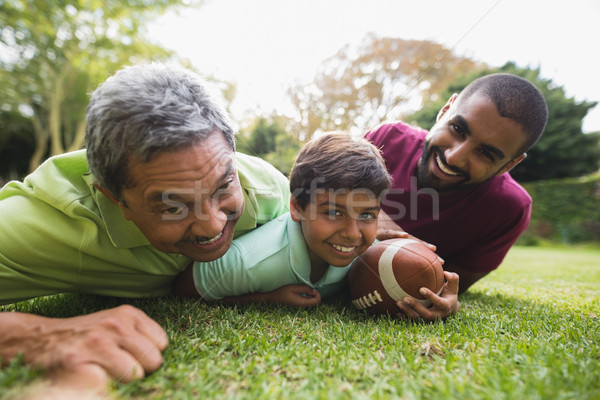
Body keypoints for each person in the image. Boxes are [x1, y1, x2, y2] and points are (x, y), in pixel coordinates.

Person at [0, 63, 290, 388]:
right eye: (172, 206)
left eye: (223, 187)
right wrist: (41, 337)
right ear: (113, 199)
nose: (212, 226)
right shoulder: (44, 222)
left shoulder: (269, 192)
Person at [366, 73, 548, 321]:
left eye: (485, 153)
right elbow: (317, 192)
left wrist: (444, 298)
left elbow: (448, 284)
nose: (454, 157)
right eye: (458, 129)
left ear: (510, 164)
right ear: (445, 110)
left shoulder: (510, 208)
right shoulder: (387, 139)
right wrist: (369, 215)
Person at [174, 132, 392, 306]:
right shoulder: (249, 261)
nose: (352, 233)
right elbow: (184, 290)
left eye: (366, 215)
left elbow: (413, 280)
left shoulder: (374, 255)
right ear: (297, 208)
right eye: (334, 212)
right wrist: (267, 298)